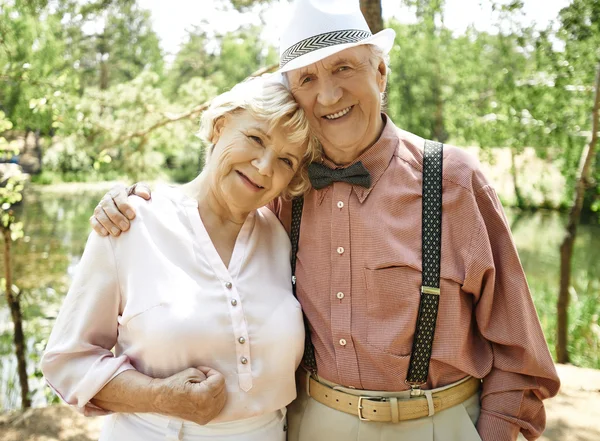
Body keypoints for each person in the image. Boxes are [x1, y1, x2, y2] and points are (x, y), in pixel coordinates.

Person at [89, 1, 561, 440]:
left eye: (343, 68)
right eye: (307, 79)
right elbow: (205, 211)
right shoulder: (279, 192)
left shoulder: (453, 181)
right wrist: (132, 200)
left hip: (437, 423)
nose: (329, 93)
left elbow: (520, 353)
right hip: (313, 424)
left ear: (380, 72)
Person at [41, 75, 321, 441]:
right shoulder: (131, 222)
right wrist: (159, 397)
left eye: (285, 160)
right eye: (255, 139)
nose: (265, 167)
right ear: (220, 126)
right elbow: (68, 362)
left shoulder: (281, 235)